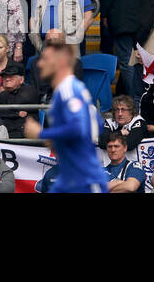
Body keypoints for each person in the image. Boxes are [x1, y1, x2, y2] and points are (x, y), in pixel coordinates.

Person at [24, 40, 107, 193]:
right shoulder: (69, 90)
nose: (40, 64)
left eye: (45, 59)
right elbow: (96, 125)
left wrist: (40, 133)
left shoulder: (68, 90)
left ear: (61, 61)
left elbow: (79, 128)